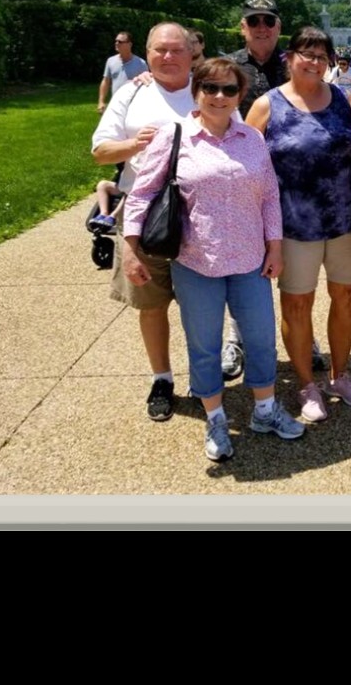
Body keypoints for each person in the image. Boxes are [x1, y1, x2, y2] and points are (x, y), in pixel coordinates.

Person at [121, 58, 304, 461]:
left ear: (240, 96)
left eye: (229, 89)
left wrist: (275, 247)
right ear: (197, 92)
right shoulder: (174, 137)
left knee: (261, 339)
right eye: (210, 88)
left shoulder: (251, 139)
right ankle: (216, 417)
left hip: (250, 261)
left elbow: (269, 196)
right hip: (196, 262)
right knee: (204, 345)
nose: (219, 96)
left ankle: (265, 409)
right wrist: (130, 248)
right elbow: (142, 195)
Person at [246, 27, 351, 423]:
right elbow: (246, 164)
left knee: (347, 298)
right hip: (293, 226)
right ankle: (305, 384)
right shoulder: (267, 106)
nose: (314, 62)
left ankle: (339, 375)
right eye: (306, 54)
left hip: (343, 223)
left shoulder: (344, 101)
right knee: (297, 304)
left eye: (321, 55)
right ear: (289, 57)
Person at [90, 22, 198, 422]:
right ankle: (162, 378)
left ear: (191, 54)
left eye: (176, 49)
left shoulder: (209, 89)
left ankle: (204, 377)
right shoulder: (132, 92)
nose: (168, 57)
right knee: (151, 305)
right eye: (159, 50)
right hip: (144, 216)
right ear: (147, 54)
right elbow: (100, 151)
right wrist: (135, 145)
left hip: (200, 216)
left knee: (202, 305)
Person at [228, 0, 326, 376]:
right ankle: (237, 338)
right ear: (243, 27)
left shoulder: (294, 62)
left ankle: (304, 336)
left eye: (268, 21)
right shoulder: (229, 66)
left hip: (292, 188)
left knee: (297, 275)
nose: (261, 27)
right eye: (254, 21)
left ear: (278, 27)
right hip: (245, 181)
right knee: (243, 268)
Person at [97, 31, 147, 113]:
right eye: (116, 41)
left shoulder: (140, 63)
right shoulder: (110, 61)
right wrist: (101, 101)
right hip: (115, 104)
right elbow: (106, 81)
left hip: (134, 105)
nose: (116, 43)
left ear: (129, 44)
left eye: (120, 42)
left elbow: (146, 84)